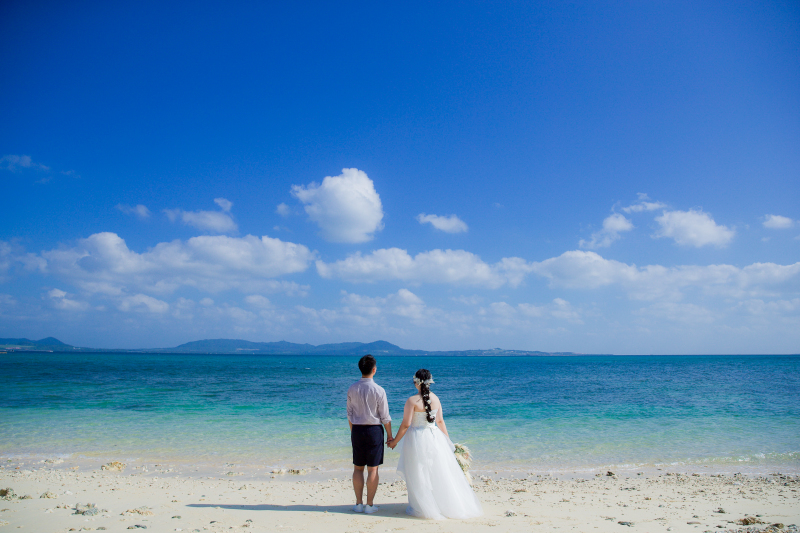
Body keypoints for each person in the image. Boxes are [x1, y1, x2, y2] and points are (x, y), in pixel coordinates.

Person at [388, 368, 483, 519]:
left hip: (417, 438)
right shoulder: (437, 399)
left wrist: (394, 441)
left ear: (415, 382)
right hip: (434, 437)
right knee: (438, 471)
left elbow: (406, 424)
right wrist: (448, 442)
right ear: (430, 382)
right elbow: (440, 421)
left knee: (418, 472)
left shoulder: (412, 400)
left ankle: (421, 505)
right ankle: (440, 503)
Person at [346, 354, 393, 514]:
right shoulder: (379, 390)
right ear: (374, 370)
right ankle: (370, 505)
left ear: (361, 369)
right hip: (374, 430)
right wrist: (390, 436)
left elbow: (349, 414)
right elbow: (385, 417)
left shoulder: (352, 388)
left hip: (358, 430)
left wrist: (354, 432)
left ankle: (358, 504)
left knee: (358, 468)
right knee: (373, 470)